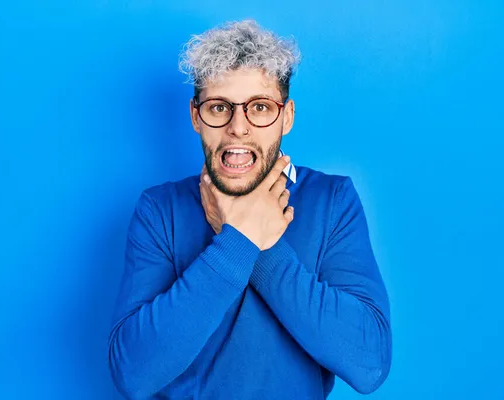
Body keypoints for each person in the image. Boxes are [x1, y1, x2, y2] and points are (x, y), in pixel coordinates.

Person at [108, 19, 392, 399]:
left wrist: (256, 243)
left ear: (286, 116)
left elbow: (369, 363)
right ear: (196, 117)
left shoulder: (332, 200)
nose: (238, 127)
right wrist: (237, 242)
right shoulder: (159, 210)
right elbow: (133, 373)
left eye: (259, 107)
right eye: (219, 107)